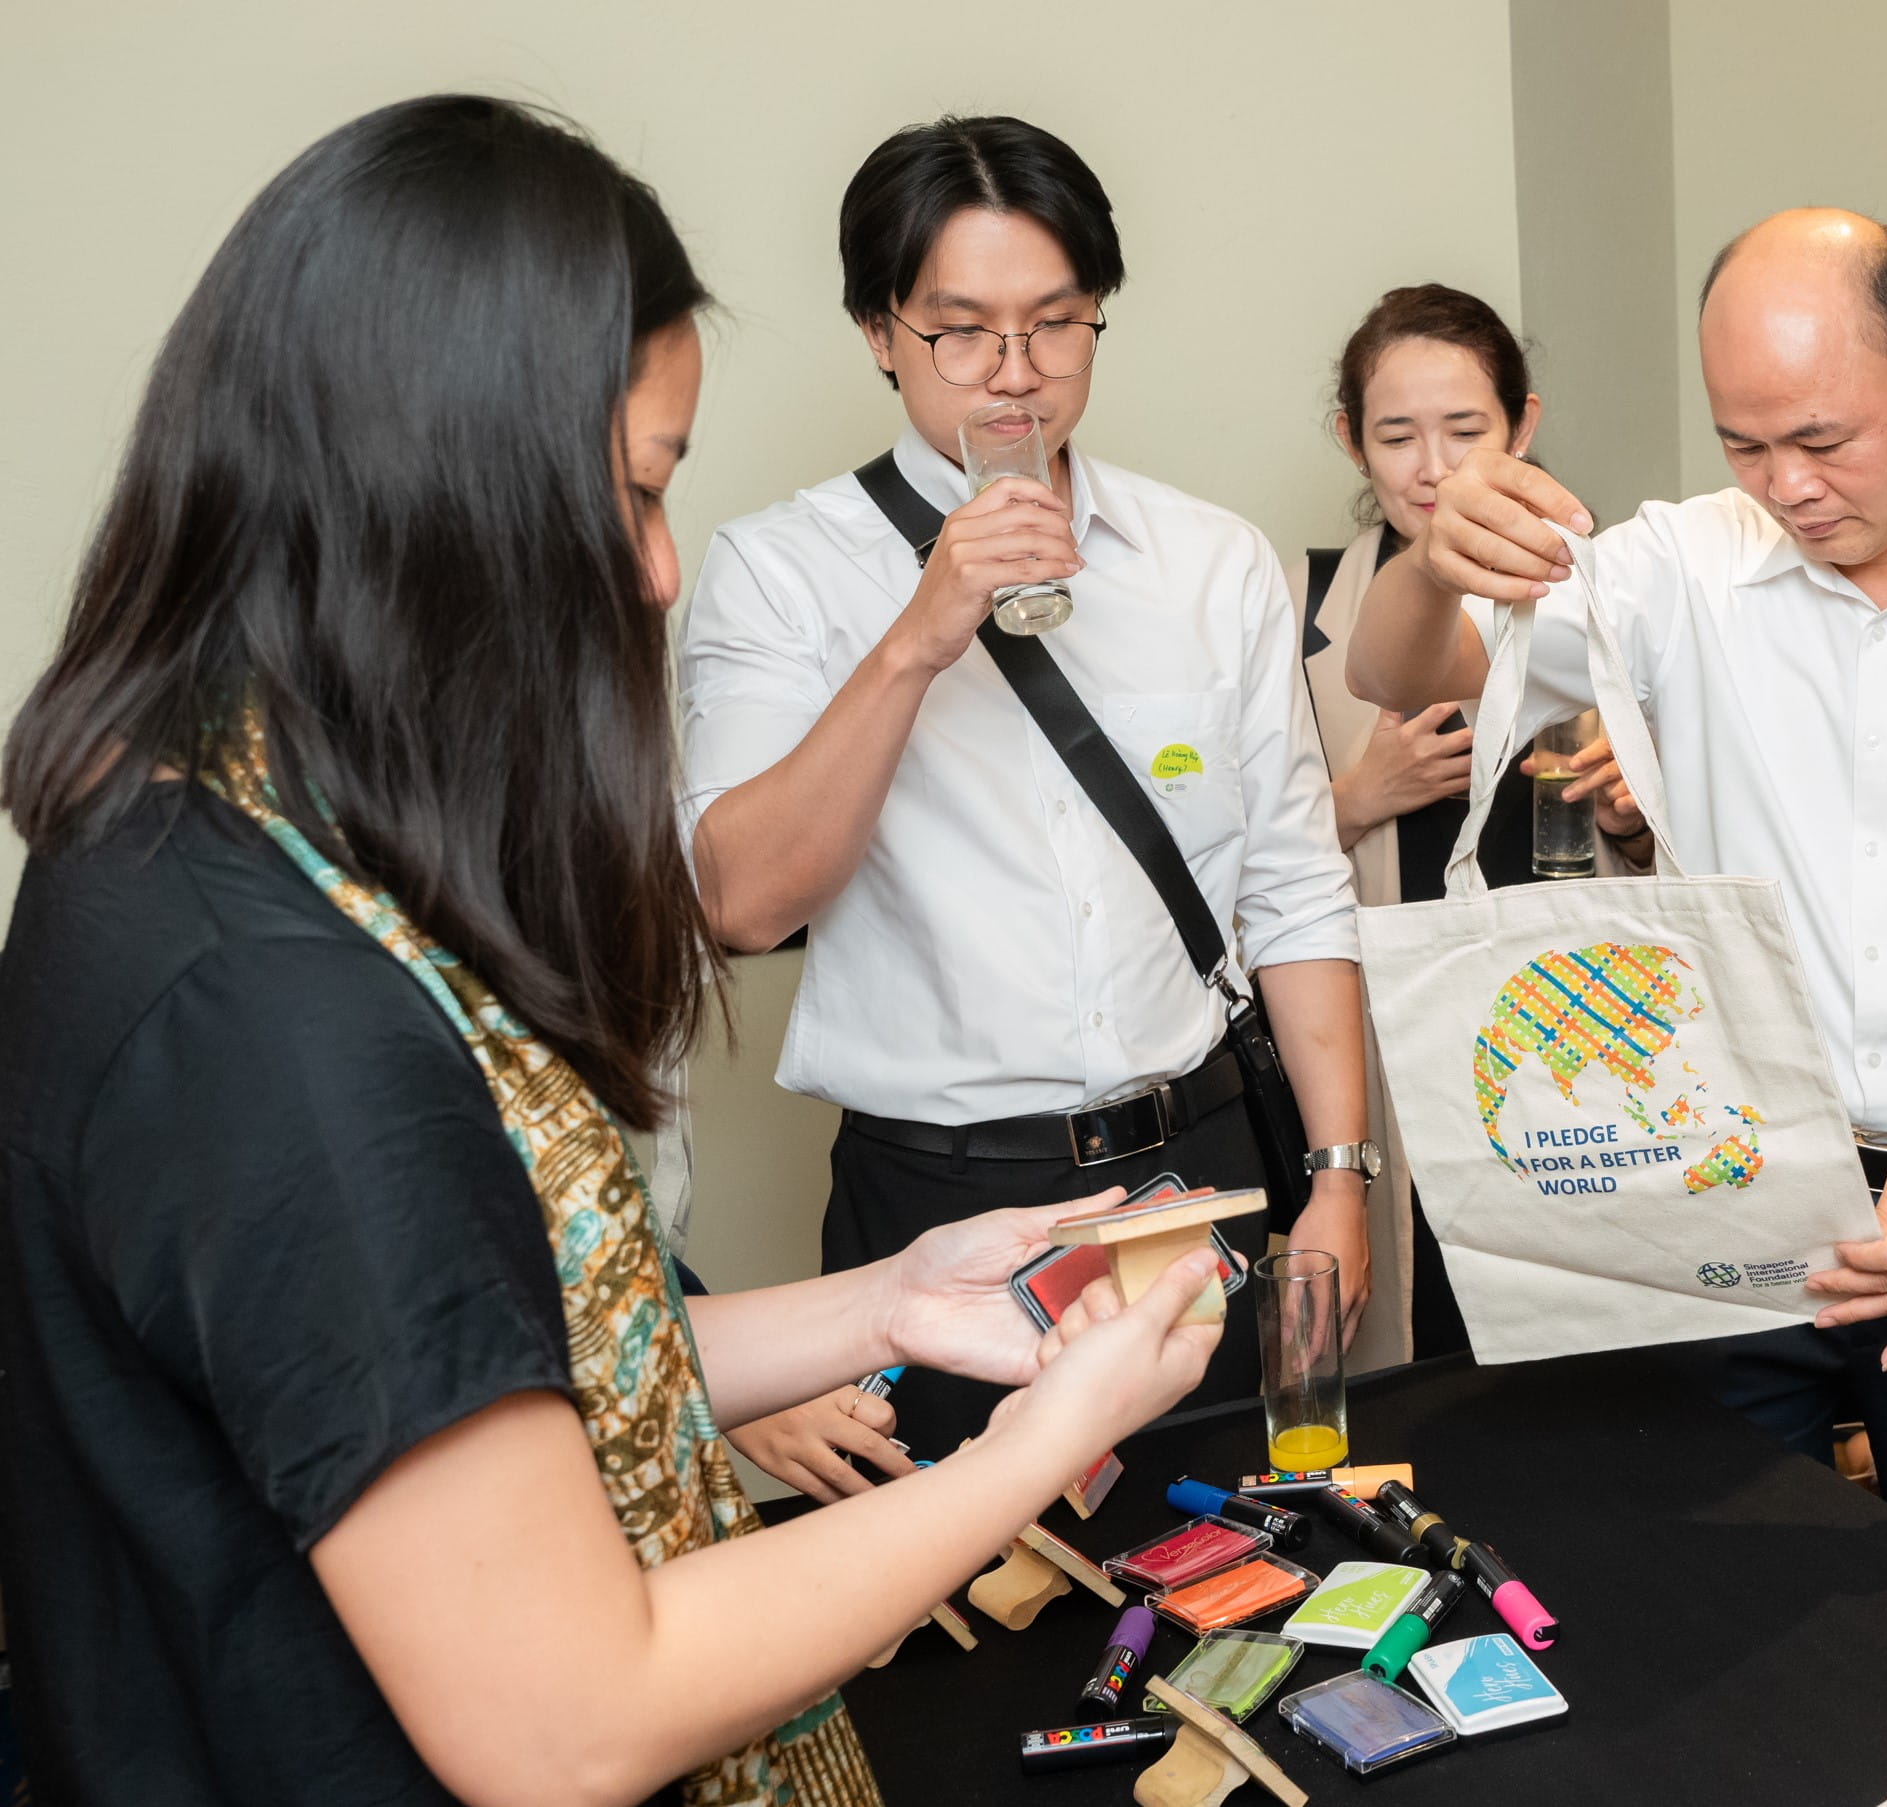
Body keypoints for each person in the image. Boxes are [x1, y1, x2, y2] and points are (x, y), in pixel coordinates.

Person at [0, 95, 1224, 1806]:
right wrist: (1037, 1444)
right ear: (441, 485)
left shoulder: (197, 828)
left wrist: (892, 1298)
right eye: (636, 492)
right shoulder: (274, 1012)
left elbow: (447, 1360)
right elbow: (566, 1717)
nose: (652, 574)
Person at [1348, 209, 1887, 1514]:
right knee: (1718, 1575)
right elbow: (1402, 670)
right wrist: (1428, 563)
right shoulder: (1679, 566)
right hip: (1729, 1181)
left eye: (1821, 440)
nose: (1787, 485)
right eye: (1745, 444)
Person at [677, 116, 1374, 1461]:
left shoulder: (1207, 561)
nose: (1015, 377)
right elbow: (745, 902)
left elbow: (1292, 881)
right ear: (881, 330)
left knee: (1251, 1559)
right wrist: (921, 632)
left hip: (1198, 1170)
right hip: (937, 1198)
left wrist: (1340, 1177)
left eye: (1057, 325)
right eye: (961, 331)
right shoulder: (779, 571)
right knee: (964, 1616)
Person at [1296, 282, 1597, 1362]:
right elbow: (1222, 883)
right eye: (1394, 435)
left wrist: (1636, 815)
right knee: (1415, 1367)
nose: (1431, 468)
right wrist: (1356, 799)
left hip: (1568, 1064)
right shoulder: (1296, 608)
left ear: (1522, 422)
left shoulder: (1606, 597)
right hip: (1390, 1066)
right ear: (1349, 441)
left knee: (1573, 1372)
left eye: (1465, 431)